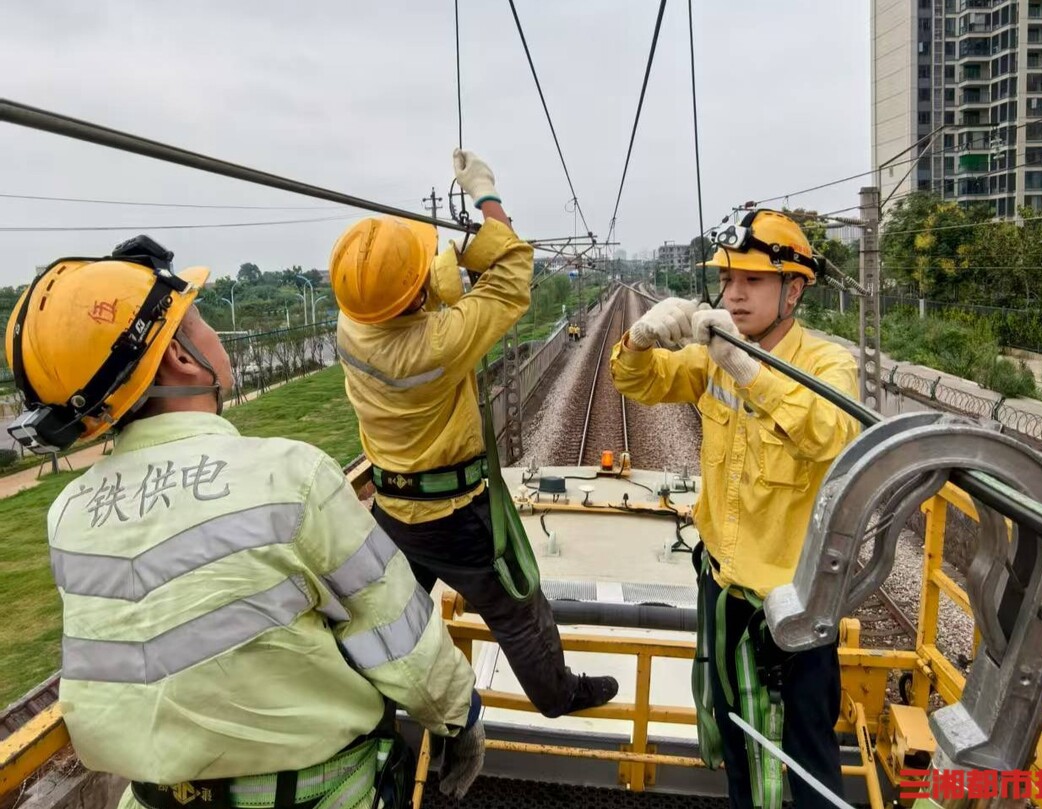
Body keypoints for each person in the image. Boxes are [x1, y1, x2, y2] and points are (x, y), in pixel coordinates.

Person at [5, 235, 485, 809]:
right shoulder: (291, 478)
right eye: (203, 321)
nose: (217, 337)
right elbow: (397, 632)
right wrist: (462, 717)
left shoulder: (68, 515)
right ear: (182, 358)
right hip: (316, 795)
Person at [330, 148, 618, 719]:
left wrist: (441, 273)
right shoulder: (438, 344)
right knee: (517, 608)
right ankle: (558, 695)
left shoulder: (351, 325)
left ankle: (373, 708)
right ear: (414, 296)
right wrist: (485, 197)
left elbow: (412, 298)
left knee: (388, 618)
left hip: (393, 510)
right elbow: (512, 271)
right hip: (457, 515)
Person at [610, 209, 860, 809]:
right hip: (723, 592)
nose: (735, 293)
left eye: (752, 281)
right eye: (728, 280)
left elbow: (830, 433)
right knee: (736, 746)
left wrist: (746, 369)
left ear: (793, 290)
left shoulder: (828, 366)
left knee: (806, 769)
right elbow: (639, 384)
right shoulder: (711, 355)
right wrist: (638, 341)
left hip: (793, 619)